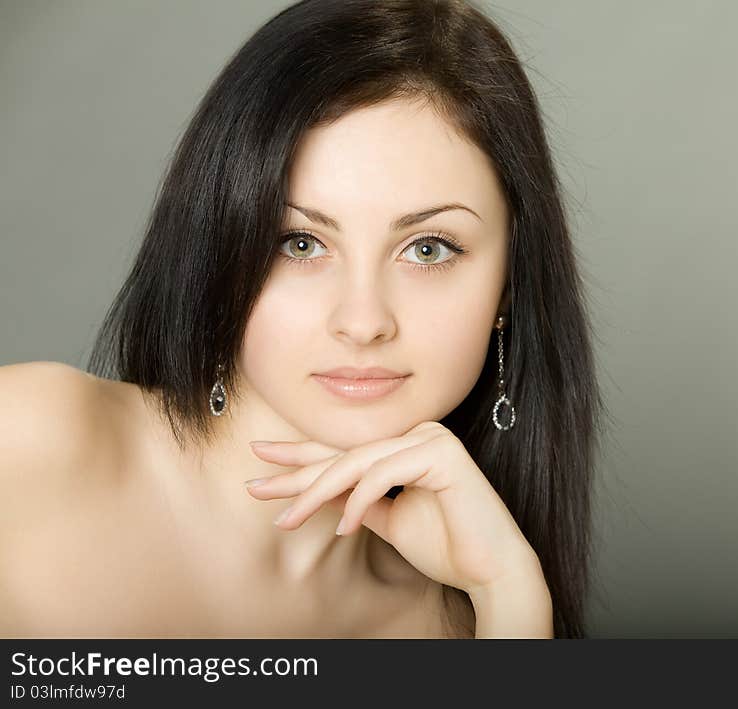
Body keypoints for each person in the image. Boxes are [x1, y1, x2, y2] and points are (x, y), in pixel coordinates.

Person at [0, 0, 604, 639]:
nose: (363, 321)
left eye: (428, 249)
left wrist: (511, 595)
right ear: (221, 246)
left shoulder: (459, 623)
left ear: (509, 285)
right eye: (300, 243)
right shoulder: (27, 446)